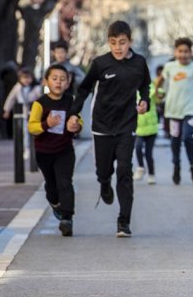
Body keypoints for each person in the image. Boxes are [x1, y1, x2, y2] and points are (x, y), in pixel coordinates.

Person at [68, 20, 151, 238]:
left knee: (124, 170)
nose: (118, 47)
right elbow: (84, 89)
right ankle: (104, 183)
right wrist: (74, 113)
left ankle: (124, 222)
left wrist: (145, 101)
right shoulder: (100, 63)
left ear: (130, 41)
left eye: (122, 42)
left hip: (127, 124)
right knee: (104, 171)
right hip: (102, 126)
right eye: (113, 43)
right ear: (108, 42)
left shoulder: (139, 63)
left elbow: (145, 86)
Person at [28, 64, 82, 236]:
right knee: (51, 186)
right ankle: (54, 203)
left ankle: (67, 219)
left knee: (65, 182)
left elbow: (78, 120)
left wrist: (76, 126)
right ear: (46, 81)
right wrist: (47, 124)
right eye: (54, 78)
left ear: (68, 83)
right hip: (44, 152)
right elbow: (32, 127)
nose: (58, 82)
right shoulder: (40, 104)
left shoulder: (71, 101)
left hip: (64, 150)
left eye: (62, 79)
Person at [156, 38, 193, 185]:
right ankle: (176, 166)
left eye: (186, 51)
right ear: (175, 52)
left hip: (190, 109)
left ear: (190, 53)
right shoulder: (169, 67)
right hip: (173, 110)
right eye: (180, 51)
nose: (183, 54)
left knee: (187, 136)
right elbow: (161, 79)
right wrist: (157, 91)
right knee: (175, 140)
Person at [134, 77, 159, 185]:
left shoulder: (151, 86)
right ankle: (140, 167)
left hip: (151, 127)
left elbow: (159, 93)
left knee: (149, 153)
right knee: (138, 147)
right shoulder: (131, 88)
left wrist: (158, 92)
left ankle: (151, 174)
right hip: (138, 126)